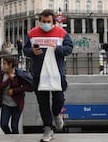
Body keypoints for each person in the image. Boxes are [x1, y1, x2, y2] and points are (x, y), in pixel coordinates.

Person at [24, 9, 73, 142]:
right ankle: (48, 128)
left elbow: (69, 48)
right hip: (39, 73)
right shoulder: (32, 33)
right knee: (42, 102)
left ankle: (56, 114)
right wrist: (32, 51)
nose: (46, 24)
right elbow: (25, 50)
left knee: (59, 98)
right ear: (40, 21)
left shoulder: (62, 33)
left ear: (53, 22)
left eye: (48, 22)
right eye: (43, 21)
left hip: (57, 73)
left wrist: (58, 49)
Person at [0, 54, 30, 134]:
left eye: (4, 63)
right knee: (3, 124)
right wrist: (9, 80)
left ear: (10, 65)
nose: (2, 65)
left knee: (14, 126)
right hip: (5, 104)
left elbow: (26, 87)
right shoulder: (1, 74)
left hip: (17, 105)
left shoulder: (18, 74)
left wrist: (14, 91)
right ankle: (10, 137)